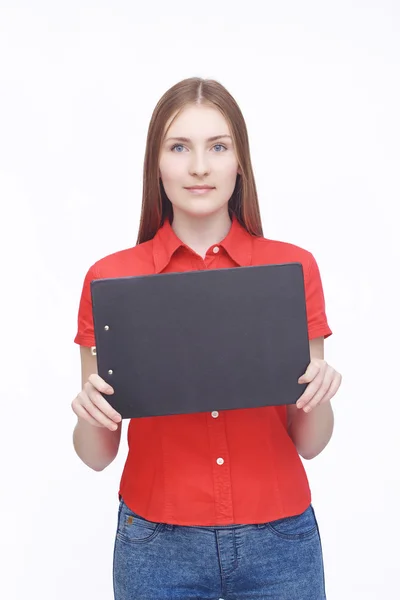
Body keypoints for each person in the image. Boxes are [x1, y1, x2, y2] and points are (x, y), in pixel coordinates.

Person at [71, 77, 342, 600]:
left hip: (281, 541)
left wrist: (320, 394)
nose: (199, 166)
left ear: (240, 162)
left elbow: (311, 443)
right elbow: (96, 455)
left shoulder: (292, 269)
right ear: (157, 163)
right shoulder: (110, 281)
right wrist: (86, 411)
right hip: (155, 546)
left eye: (218, 147)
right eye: (180, 147)